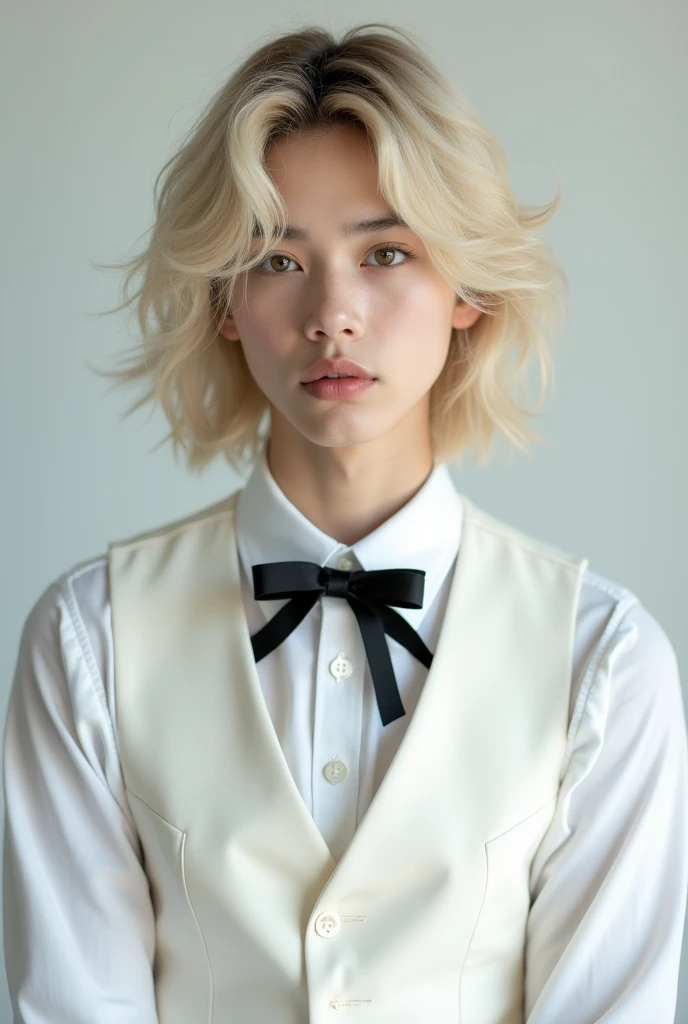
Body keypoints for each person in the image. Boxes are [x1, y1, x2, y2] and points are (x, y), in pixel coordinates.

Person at [3, 20, 687, 1024]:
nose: (333, 312)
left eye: (387, 252)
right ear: (224, 302)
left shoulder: (605, 661)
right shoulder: (87, 637)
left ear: (467, 290)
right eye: (278, 261)